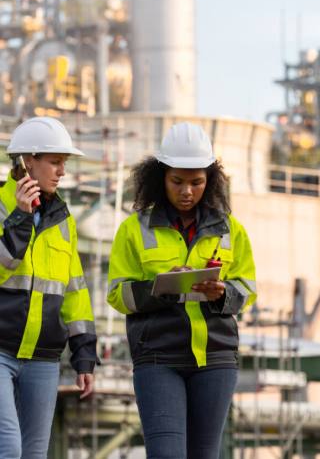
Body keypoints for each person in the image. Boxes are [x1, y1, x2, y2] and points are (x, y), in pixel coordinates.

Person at [108, 121, 257, 459]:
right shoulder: (134, 230)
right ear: (160, 177)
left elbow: (247, 290)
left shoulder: (231, 230)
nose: (187, 191)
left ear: (210, 180)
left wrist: (222, 293)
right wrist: (161, 288)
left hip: (216, 360)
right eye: (177, 181)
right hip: (158, 358)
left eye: (197, 182)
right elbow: (118, 295)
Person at [0, 116, 98, 459]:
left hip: (43, 358)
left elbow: (75, 293)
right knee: (8, 449)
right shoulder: (1, 206)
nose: (62, 171)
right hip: (0, 351)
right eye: (55, 162)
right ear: (28, 161)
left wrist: (84, 355)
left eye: (64, 163)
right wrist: (20, 218)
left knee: (34, 454)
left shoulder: (63, 220)